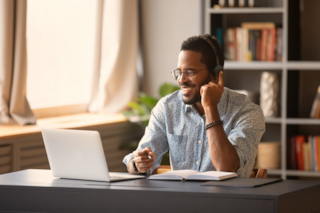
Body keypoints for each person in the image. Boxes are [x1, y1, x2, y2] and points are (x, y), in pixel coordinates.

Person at [123, 34, 265, 177]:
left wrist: (210, 108)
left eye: (190, 72)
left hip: (225, 199)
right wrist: (137, 164)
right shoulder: (167, 108)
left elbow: (226, 167)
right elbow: (137, 160)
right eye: (179, 72)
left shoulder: (247, 112)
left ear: (216, 74)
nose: (181, 80)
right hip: (182, 198)